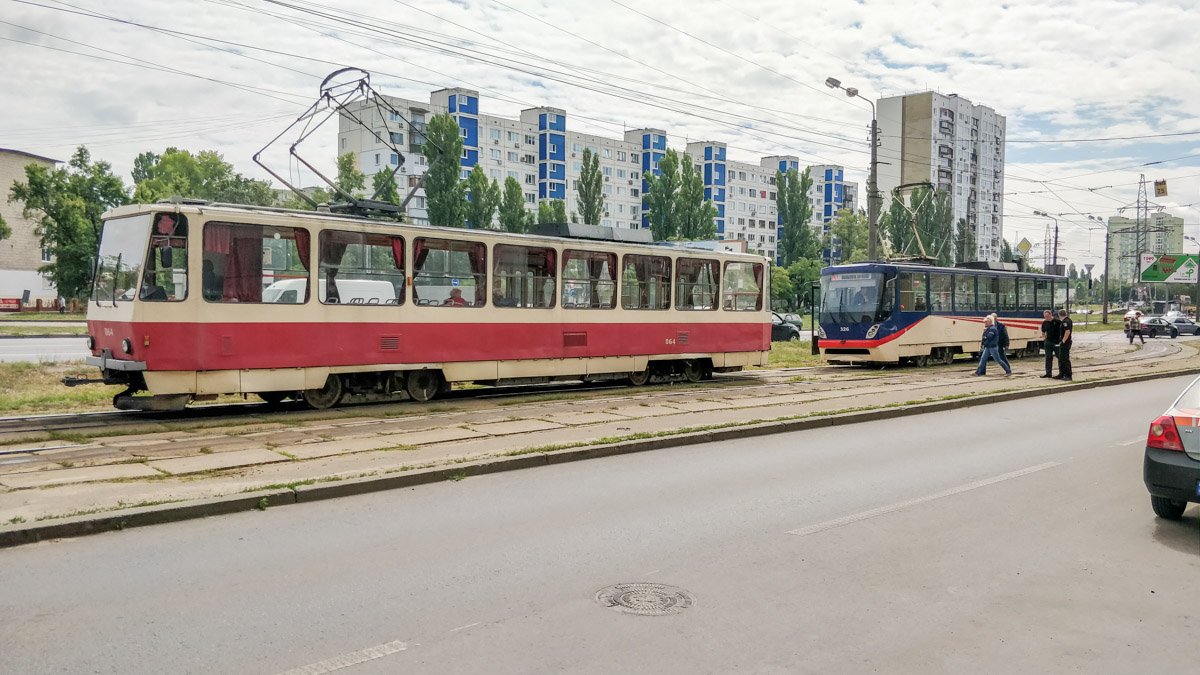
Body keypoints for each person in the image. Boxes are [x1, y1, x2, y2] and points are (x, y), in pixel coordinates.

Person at [1039, 309, 1060, 378]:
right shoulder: (1045, 322)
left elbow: (1062, 331)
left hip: (1056, 342)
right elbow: (1043, 331)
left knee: (1059, 357)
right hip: (1048, 342)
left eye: (1047, 316)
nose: (1046, 318)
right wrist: (1044, 339)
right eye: (1045, 317)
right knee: (1048, 357)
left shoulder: (1057, 322)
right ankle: (1048, 373)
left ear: (1051, 315)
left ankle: (1062, 372)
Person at [1056, 308, 1073, 380]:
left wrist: (1063, 341)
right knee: (1061, 358)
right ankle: (1062, 374)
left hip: (1065, 343)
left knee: (1065, 359)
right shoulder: (1067, 320)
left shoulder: (1065, 322)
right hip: (1064, 342)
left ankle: (1068, 375)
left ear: (1059, 315)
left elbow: (1067, 332)